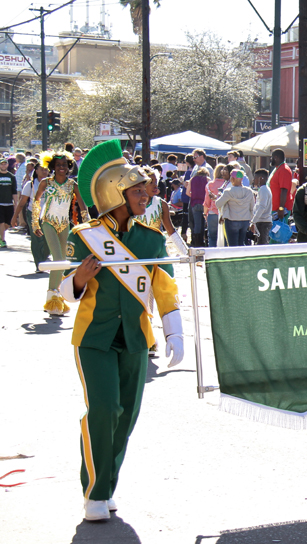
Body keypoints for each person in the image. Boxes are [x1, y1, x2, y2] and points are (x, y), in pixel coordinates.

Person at [58, 139, 184, 521]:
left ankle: (107, 484)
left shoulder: (151, 239)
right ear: (116, 194)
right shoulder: (84, 235)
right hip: (94, 339)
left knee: (126, 415)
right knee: (104, 409)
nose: (146, 196)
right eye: (137, 191)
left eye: (145, 190)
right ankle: (94, 493)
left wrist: (173, 331)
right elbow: (62, 291)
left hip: (134, 340)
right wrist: (78, 277)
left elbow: (165, 287)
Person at [32, 150, 87, 314]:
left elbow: (82, 206)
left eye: (64, 164)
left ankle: (56, 295)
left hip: (64, 224)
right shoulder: (45, 183)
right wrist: (35, 223)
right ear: (53, 167)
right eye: (58, 165)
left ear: (69, 166)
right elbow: (36, 202)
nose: (61, 167)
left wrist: (88, 224)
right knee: (58, 258)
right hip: (48, 222)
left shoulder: (73, 185)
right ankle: (52, 297)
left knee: (63, 261)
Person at [12, 163, 51, 271]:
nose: (44, 172)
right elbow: (22, 202)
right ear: (36, 171)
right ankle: (39, 264)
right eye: (42, 169)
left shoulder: (52, 184)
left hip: (48, 215)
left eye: (46, 170)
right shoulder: (31, 184)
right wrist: (15, 217)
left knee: (49, 240)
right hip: (33, 214)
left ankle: (43, 258)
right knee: (37, 239)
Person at [216, 169, 256, 246]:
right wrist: (252, 221)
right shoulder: (249, 191)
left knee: (232, 244)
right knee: (241, 243)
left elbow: (218, 204)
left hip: (231, 220)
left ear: (232, 179)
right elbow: (252, 207)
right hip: (245, 221)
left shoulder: (228, 192)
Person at [204, 165, 228, 248]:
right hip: (224, 213)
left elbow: (207, 202)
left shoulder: (210, 184)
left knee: (212, 237)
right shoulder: (227, 184)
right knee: (225, 238)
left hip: (212, 212)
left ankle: (212, 256)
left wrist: (205, 214)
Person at [270, 148, 295, 221]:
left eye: (271, 157)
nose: (271, 159)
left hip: (280, 210)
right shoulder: (279, 168)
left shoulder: (284, 170)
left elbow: (284, 190)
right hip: (275, 208)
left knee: (280, 231)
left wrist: (281, 208)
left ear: (276, 157)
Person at [188, 167, 209, 247]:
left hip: (194, 203)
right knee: (204, 223)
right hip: (204, 203)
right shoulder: (207, 179)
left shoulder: (192, 179)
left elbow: (187, 192)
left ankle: (197, 242)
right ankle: (203, 240)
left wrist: (194, 196)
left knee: (197, 224)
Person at [250, 169, 273, 244]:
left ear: (261, 178)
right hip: (263, 221)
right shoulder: (264, 189)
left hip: (263, 222)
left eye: (255, 178)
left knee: (262, 244)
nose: (254, 180)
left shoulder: (263, 190)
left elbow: (262, 207)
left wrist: (253, 221)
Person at [0, 157, 16, 248]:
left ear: (7, 165)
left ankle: (1, 234)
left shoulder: (12, 177)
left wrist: (16, 204)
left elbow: (14, 191)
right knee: (1, 222)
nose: (3, 165)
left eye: (4, 164)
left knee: (7, 224)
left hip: (9, 203)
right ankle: (3, 240)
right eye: (1, 164)